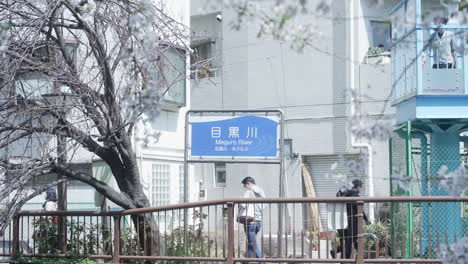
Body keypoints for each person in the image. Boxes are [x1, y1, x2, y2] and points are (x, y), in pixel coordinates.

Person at [331, 180, 370, 259]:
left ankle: (357, 256)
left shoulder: (345, 194)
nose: (360, 189)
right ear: (357, 186)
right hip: (354, 220)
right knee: (352, 238)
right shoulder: (355, 195)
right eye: (360, 187)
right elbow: (360, 209)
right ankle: (346, 256)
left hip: (344, 219)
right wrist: (366, 219)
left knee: (349, 239)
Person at [239, 177, 266, 264]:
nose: (245, 187)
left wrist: (239, 201)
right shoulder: (261, 191)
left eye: (245, 185)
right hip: (258, 222)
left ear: (248, 183)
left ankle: (263, 263)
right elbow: (264, 206)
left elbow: (243, 204)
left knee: (252, 244)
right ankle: (245, 262)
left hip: (250, 221)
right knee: (251, 243)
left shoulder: (249, 192)